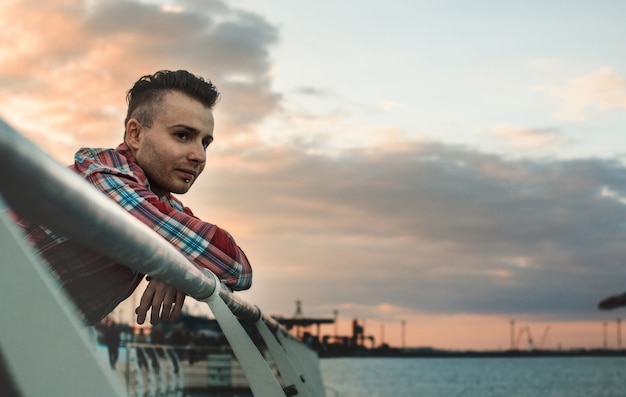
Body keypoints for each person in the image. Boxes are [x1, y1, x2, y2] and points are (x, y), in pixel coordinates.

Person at [16, 70, 253, 326]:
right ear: (135, 134)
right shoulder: (103, 179)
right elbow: (228, 264)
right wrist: (178, 257)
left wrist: (176, 266)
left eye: (205, 143)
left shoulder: (162, 206)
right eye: (182, 135)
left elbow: (239, 270)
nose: (199, 156)